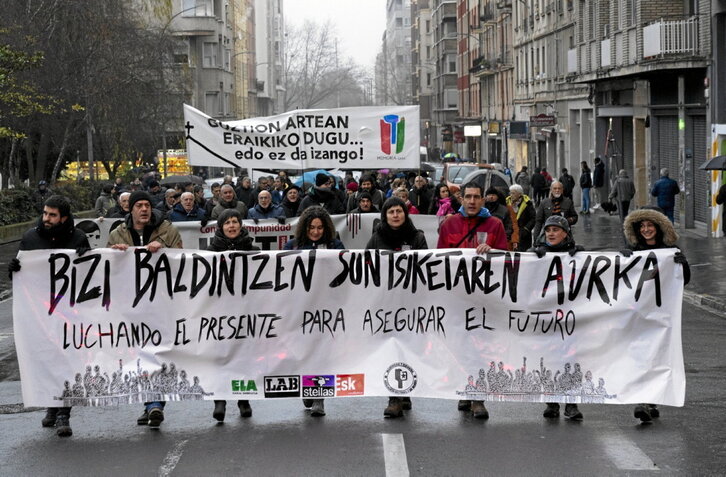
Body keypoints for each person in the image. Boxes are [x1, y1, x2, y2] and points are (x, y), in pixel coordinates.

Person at [8, 195, 90, 437]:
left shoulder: (78, 238)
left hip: (68, 312)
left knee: (65, 361)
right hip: (40, 312)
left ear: (64, 217)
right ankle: (51, 406)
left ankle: (63, 413)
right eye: (45, 213)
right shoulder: (31, 238)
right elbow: (21, 276)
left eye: (52, 215)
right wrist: (13, 270)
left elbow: (91, 275)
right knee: (46, 359)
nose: (47, 218)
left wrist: (87, 256)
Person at [107, 191, 182, 429]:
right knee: (139, 354)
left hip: (161, 302)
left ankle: (154, 404)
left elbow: (183, 259)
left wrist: (165, 248)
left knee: (157, 353)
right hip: (131, 305)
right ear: (130, 209)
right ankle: (150, 403)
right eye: (139, 205)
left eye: (147, 205)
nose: (143, 209)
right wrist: (115, 254)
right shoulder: (117, 233)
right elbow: (106, 267)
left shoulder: (168, 230)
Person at [437, 182, 508, 419]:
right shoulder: (449, 225)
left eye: (477, 197)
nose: (472, 201)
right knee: (461, 347)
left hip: (484, 298)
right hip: (457, 298)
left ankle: (478, 397)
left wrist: (494, 251)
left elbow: (507, 260)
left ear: (483, 200)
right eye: (467, 196)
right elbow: (439, 260)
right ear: (462, 199)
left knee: (480, 347)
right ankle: (465, 389)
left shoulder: (495, 225)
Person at [622, 206, 690, 422]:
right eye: (642, 226)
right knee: (641, 357)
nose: (646, 229)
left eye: (649, 225)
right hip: (638, 315)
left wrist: (683, 265)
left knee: (657, 357)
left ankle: (649, 401)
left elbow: (682, 281)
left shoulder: (671, 251)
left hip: (660, 316)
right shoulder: (633, 251)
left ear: (658, 227)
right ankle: (646, 401)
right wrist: (622, 259)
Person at [365, 197, 428, 418]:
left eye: (399, 211)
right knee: (391, 348)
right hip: (386, 303)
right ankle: (394, 396)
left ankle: (405, 390)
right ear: (385, 215)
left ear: (405, 214)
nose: (395, 215)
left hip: (410, 303)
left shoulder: (417, 237)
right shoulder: (376, 238)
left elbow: (426, 267)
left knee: (408, 348)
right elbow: (366, 266)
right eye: (390, 211)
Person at [283, 207, 345, 418]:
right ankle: (307, 386)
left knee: (322, 353)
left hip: (326, 309)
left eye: (320, 228)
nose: (316, 232)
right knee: (303, 351)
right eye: (312, 228)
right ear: (304, 228)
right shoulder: (292, 246)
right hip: (301, 309)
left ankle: (319, 397)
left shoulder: (335, 245)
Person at [530, 215, 585, 421]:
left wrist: (625, 259)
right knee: (548, 359)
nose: (551, 234)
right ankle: (552, 402)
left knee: (570, 360)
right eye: (548, 230)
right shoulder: (534, 254)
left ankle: (571, 404)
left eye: (556, 230)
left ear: (565, 233)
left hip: (570, 318)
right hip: (546, 318)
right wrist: (532, 256)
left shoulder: (577, 254)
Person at [208, 209, 257, 421]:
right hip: (219, 313)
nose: (231, 226)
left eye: (235, 221)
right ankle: (220, 399)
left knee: (243, 356)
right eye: (227, 222)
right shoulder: (210, 252)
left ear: (241, 225)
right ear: (221, 227)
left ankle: (243, 398)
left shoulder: (253, 250)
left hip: (245, 312)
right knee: (220, 357)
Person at [507, 184, 536, 251]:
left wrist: (526, 229)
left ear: (519, 194)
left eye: (513, 193)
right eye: (510, 193)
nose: (511, 195)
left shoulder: (528, 203)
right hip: (510, 234)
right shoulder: (507, 202)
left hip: (523, 235)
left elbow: (533, 218)